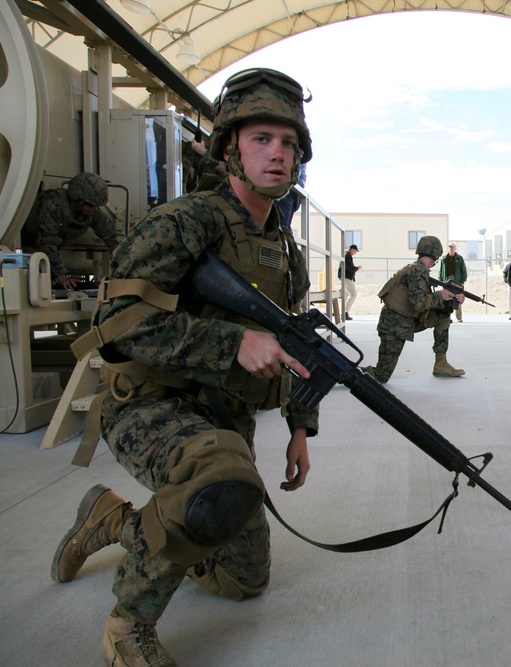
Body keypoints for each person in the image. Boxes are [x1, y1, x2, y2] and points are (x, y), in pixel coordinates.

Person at [49, 68, 320, 667]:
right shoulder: (185, 221)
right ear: (230, 148)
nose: (277, 154)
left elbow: (299, 344)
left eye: (289, 143)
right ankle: (127, 628)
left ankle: (114, 521)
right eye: (261, 139)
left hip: (227, 419)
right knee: (215, 477)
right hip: (149, 404)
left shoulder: (284, 250)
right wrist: (231, 342)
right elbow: (118, 322)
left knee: (242, 580)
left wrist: (301, 425)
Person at [367, 235, 465, 383]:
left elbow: (425, 301)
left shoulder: (417, 269)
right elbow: (419, 303)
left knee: (443, 314)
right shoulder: (418, 271)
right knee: (381, 376)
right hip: (395, 326)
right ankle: (348, 370)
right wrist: (441, 295)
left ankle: (440, 363)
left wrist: (452, 298)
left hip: (403, 321)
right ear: (436, 254)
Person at [21, 171, 119, 290]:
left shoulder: (93, 213)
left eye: (96, 206)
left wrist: (122, 265)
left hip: (48, 250)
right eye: (90, 205)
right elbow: (48, 243)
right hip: (25, 244)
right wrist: (62, 276)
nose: (94, 209)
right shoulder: (53, 204)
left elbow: (112, 239)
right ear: (77, 199)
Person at [439, 241, 469, 321]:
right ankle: (448, 317)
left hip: (457, 281)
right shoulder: (444, 259)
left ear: (455, 248)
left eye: (452, 247)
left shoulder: (459, 258)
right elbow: (441, 270)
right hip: (447, 280)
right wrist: (441, 281)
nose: (451, 249)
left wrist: (462, 281)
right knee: (447, 298)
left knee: (458, 298)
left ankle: (459, 317)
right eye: (449, 247)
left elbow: (463, 270)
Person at [341, 243, 360, 320]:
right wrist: (356, 268)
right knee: (354, 294)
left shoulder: (347, 256)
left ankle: (342, 311)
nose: (355, 253)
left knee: (345, 294)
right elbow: (349, 268)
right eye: (355, 251)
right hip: (346, 277)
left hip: (344, 277)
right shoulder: (347, 256)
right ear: (352, 249)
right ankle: (345, 312)